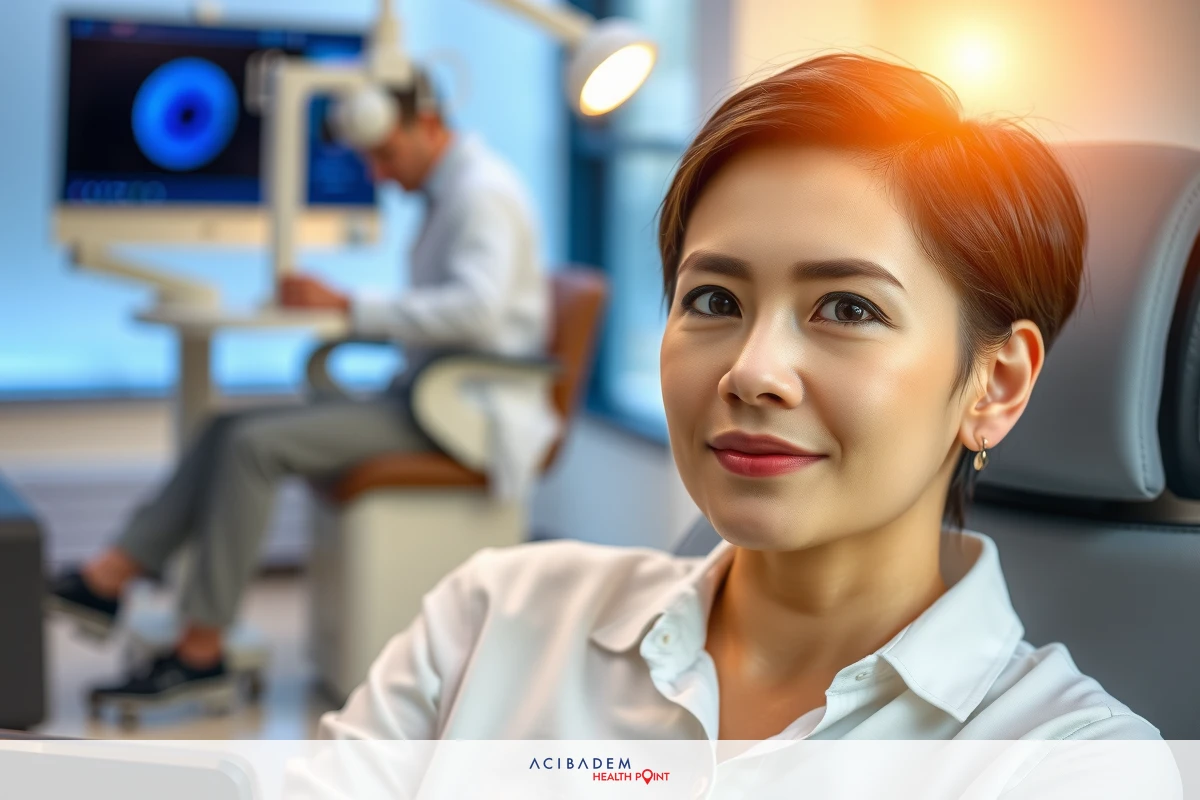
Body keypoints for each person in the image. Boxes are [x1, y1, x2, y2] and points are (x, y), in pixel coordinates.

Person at [318, 54, 1160, 743]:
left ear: (996, 382)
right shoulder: (493, 617)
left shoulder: (1067, 763)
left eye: (848, 309)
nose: (752, 373)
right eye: (714, 300)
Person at [46, 71, 550, 708]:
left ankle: (199, 651)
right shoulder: (456, 195)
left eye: (386, 154)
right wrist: (353, 311)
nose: (380, 174)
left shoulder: (482, 194)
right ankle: (111, 575)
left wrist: (349, 305)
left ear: (428, 124)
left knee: (253, 447)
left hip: (459, 410)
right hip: (433, 395)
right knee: (227, 427)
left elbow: (476, 311)